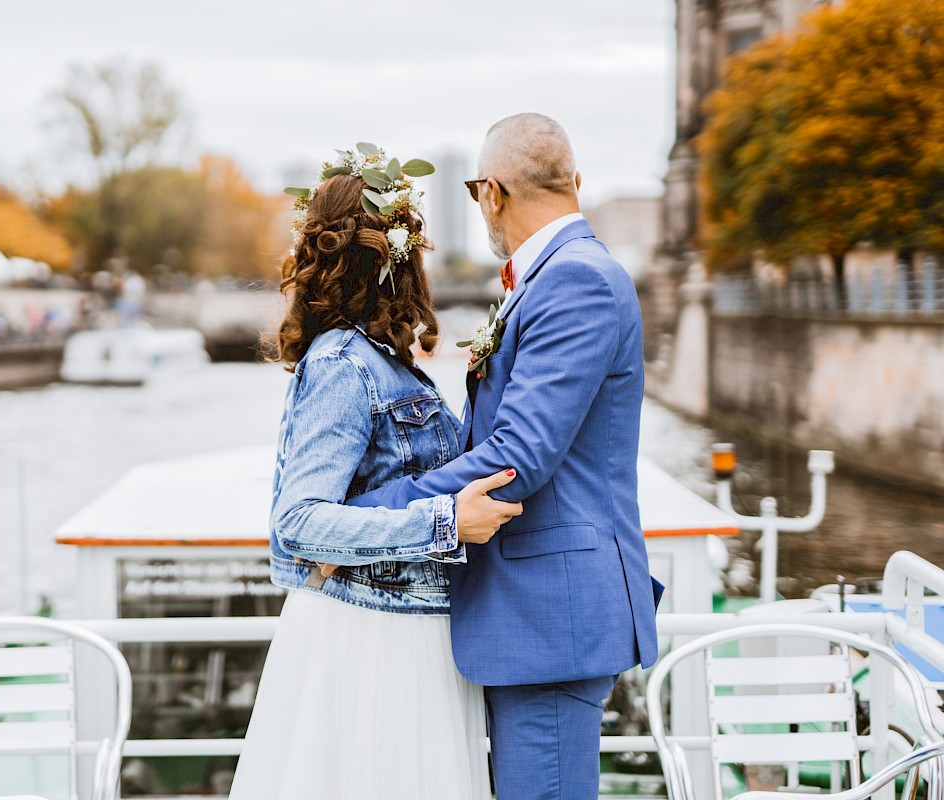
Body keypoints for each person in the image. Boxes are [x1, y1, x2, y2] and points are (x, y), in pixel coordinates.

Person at [346, 113, 664, 800]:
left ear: (490, 192)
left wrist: (366, 515)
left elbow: (517, 456)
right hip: (535, 613)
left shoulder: (573, 281)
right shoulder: (554, 277)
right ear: (573, 181)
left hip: (549, 616)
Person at [228, 146, 521, 800]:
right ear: (394, 259)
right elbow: (298, 522)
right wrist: (447, 522)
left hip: (403, 631)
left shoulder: (382, 362)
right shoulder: (343, 363)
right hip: (371, 642)